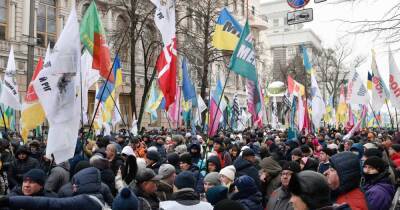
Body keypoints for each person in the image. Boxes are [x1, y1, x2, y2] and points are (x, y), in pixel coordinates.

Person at [0, 167, 110, 210]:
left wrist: (10, 201)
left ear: (41, 185)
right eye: (25, 181)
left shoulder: (86, 200)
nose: (26, 185)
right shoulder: (13, 194)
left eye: (32, 182)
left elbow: (48, 203)